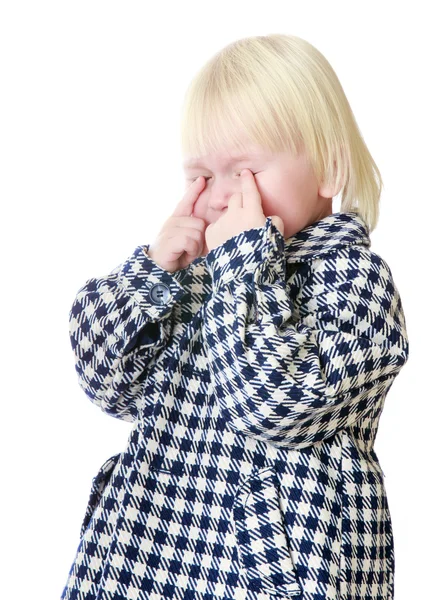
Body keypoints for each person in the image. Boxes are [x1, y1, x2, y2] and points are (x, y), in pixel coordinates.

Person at [61, 34, 409, 600]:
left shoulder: (357, 284)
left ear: (328, 170)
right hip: (145, 557)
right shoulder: (197, 276)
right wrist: (150, 275)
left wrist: (243, 267)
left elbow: (273, 405)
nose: (222, 196)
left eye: (244, 171)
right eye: (200, 175)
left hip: (273, 570)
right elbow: (107, 385)